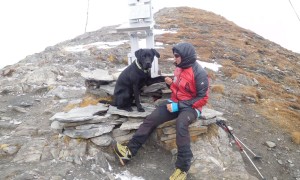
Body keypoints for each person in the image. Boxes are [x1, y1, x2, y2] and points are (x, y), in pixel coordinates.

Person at [113, 42, 209, 180]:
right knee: (152, 118)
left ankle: (182, 168)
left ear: (186, 56)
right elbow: (180, 89)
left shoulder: (199, 73)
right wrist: (172, 85)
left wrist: (179, 106)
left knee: (181, 124)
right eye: (174, 56)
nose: (174, 59)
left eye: (177, 56)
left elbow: (202, 98)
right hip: (175, 103)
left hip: (192, 108)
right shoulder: (179, 69)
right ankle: (129, 151)